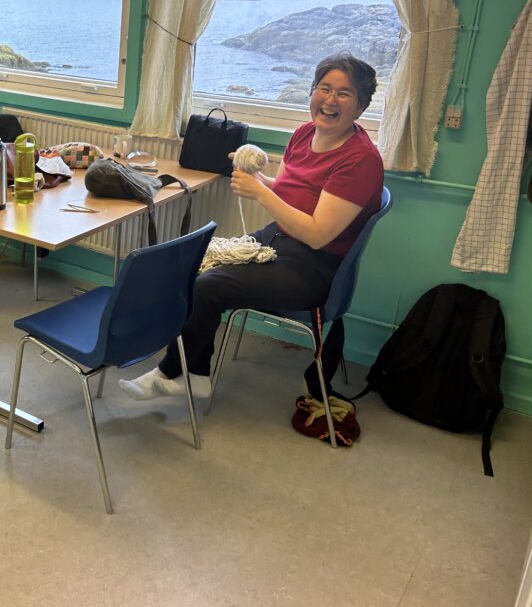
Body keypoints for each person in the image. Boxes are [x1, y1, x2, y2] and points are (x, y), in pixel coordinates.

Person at [119, 52, 384, 401]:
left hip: (316, 267)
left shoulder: (360, 160)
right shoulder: (305, 133)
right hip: (281, 239)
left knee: (207, 287)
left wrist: (260, 192)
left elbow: (318, 234)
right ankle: (197, 373)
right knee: (195, 261)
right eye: (324, 88)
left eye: (344, 93)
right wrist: (258, 178)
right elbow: (291, 192)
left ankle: (169, 373)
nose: (330, 100)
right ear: (312, 92)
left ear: (361, 106)